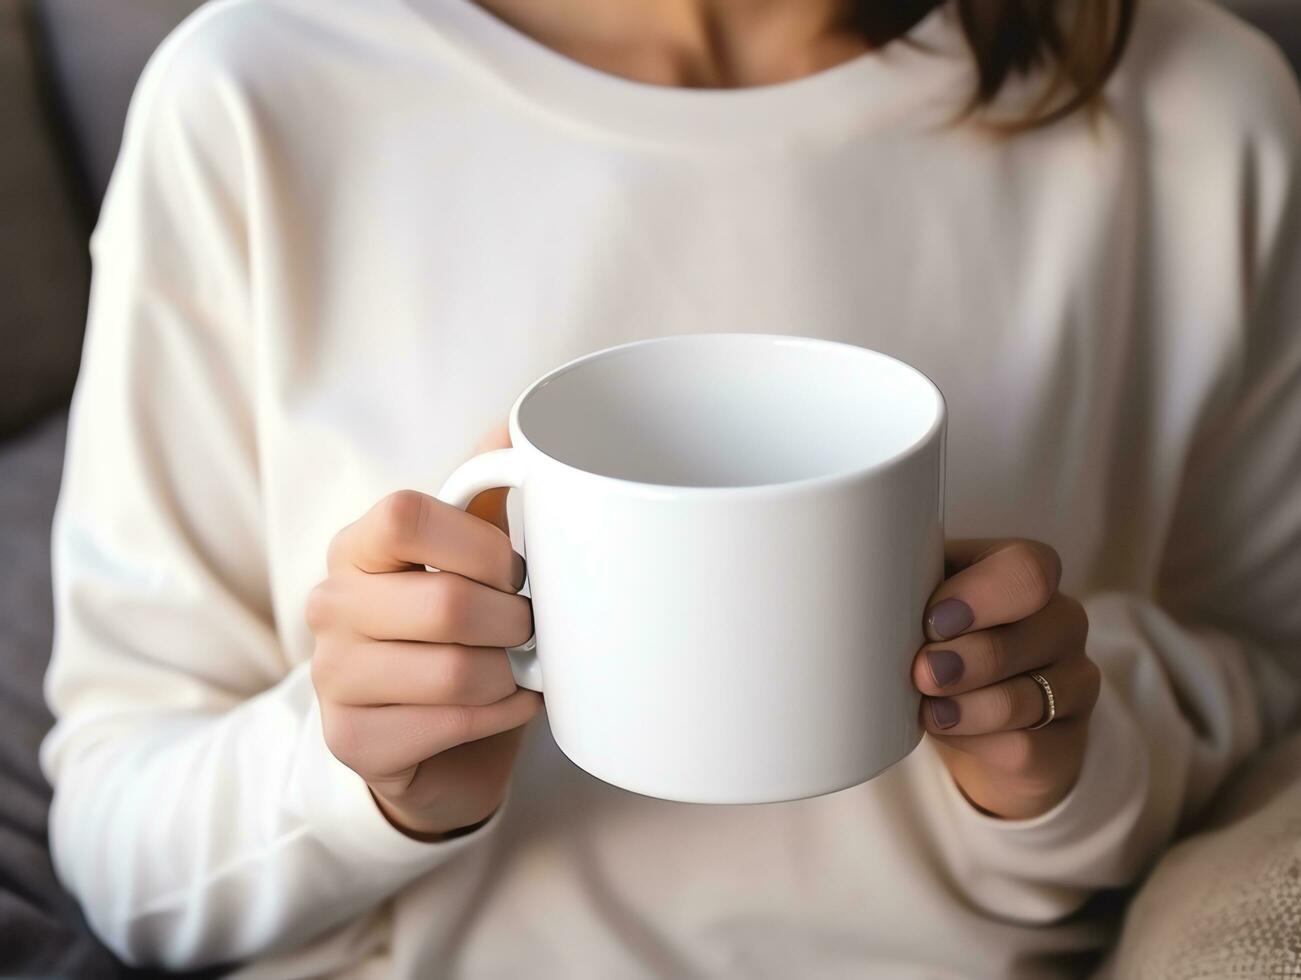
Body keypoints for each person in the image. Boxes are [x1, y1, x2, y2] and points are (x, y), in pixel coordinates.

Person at [39, 0, 1301, 976]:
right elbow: (119, 836)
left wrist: (1065, 765)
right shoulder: (254, 101)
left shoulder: (1196, 114)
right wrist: (357, 780)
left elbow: (1268, 684)